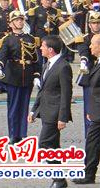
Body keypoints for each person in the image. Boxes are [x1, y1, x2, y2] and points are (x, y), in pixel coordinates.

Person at [28, 36, 72, 188]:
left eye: (43, 46)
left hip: (55, 114)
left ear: (51, 50)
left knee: (44, 144)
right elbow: (42, 90)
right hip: (46, 111)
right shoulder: (47, 64)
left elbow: (66, 94)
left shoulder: (63, 66)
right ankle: (60, 180)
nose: (40, 48)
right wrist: (33, 111)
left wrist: (63, 117)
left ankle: (59, 179)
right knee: (53, 146)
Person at [0, 10, 39, 144]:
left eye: (21, 20)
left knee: (24, 106)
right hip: (13, 76)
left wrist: (37, 75)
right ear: (11, 23)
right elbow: (2, 56)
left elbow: (36, 59)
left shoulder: (30, 38)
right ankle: (13, 135)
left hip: (27, 76)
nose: (19, 22)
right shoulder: (8, 39)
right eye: (17, 20)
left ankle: (22, 134)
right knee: (14, 107)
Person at [75, 33, 100, 185]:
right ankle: (89, 174)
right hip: (96, 113)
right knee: (92, 144)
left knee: (92, 144)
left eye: (93, 44)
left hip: (98, 114)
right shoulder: (97, 62)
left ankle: (89, 175)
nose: (90, 46)